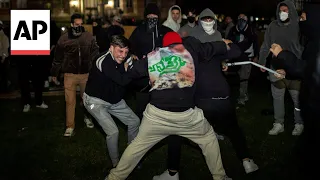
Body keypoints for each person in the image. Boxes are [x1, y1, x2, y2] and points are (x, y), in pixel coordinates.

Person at [105, 32, 239, 180]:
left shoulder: (153, 56)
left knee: (136, 147)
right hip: (186, 116)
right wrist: (225, 43)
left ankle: (114, 177)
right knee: (209, 139)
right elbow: (220, 47)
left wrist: (130, 65)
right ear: (179, 42)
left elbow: (132, 72)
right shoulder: (191, 49)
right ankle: (220, 176)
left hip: (156, 116)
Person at [154, 10, 258, 180]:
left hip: (201, 97)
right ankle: (246, 161)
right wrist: (225, 47)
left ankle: (172, 172)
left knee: (177, 132)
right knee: (232, 129)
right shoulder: (210, 45)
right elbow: (234, 51)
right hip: (219, 95)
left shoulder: (189, 51)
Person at [269, 3, 320, 177]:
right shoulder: (313, 40)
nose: (301, 22)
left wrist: (283, 56)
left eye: (304, 19)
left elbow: (308, 70)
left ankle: (299, 124)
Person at [83, 35, 140, 168]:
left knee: (134, 121)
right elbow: (122, 80)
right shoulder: (102, 60)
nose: (123, 55)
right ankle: (117, 164)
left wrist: (130, 64)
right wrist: (128, 70)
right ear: (111, 48)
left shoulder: (127, 58)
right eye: (120, 51)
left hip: (114, 100)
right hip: (95, 101)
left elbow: (131, 72)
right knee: (113, 132)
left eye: (126, 52)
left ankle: (130, 156)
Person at [258, 0, 304, 136]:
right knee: (277, 97)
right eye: (281, 10)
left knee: (297, 98)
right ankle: (279, 123)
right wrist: (262, 61)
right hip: (275, 68)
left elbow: (303, 49)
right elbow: (266, 45)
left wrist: (294, 66)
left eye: (286, 10)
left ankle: (299, 123)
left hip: (294, 68)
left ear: (291, 11)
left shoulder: (299, 26)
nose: (283, 13)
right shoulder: (273, 26)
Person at [51, 13, 99, 137]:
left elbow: (95, 53)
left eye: (81, 24)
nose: (79, 26)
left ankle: (88, 118)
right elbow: (58, 58)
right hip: (69, 74)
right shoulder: (64, 38)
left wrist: (95, 68)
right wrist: (54, 73)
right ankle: (70, 126)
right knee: (70, 101)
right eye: (77, 24)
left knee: (87, 100)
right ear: (71, 24)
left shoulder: (88, 37)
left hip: (85, 74)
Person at [128, 3, 172, 121]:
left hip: (160, 74)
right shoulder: (139, 31)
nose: (152, 18)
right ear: (145, 17)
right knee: (142, 104)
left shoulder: (165, 31)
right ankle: (140, 127)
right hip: (143, 76)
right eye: (149, 16)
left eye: (155, 16)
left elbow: (174, 47)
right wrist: (132, 55)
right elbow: (130, 47)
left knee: (159, 104)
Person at [228, 14, 259, 106]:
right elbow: (229, 42)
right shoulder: (233, 30)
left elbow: (255, 44)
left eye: (244, 18)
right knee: (239, 76)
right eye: (240, 18)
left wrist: (256, 56)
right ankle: (244, 94)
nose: (241, 20)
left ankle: (242, 97)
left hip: (247, 57)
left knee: (244, 77)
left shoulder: (251, 30)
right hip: (236, 57)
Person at [0, 20, 9, 92]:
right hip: (2, 58)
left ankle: (4, 89)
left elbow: (5, 49)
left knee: (3, 75)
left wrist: (3, 58)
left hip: (2, 58)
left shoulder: (3, 36)